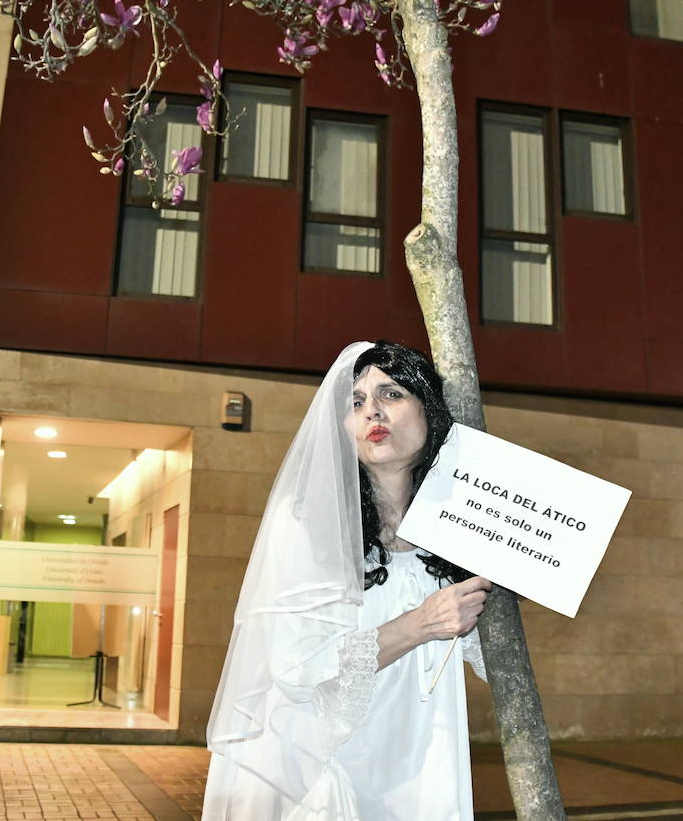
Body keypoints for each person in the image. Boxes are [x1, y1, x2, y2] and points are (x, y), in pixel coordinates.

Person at [203, 340, 493, 820]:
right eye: (355, 402)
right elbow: (296, 669)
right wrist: (421, 622)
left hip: (421, 750)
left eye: (392, 394)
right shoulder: (306, 525)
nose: (372, 411)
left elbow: (486, 655)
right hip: (318, 764)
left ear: (430, 410)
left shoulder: (459, 531)